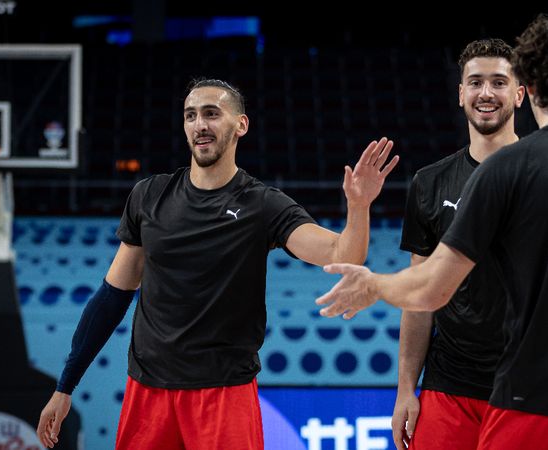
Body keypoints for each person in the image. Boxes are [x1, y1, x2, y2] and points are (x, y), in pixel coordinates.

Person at [317, 16, 548, 450]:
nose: (487, 93)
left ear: (527, 87)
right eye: (475, 83)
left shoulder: (511, 167)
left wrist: (375, 284)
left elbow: (433, 288)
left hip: (538, 400)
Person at [37, 78, 399, 449]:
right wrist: (66, 385)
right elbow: (111, 298)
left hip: (224, 393)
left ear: (240, 125)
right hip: (148, 393)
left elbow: (343, 255)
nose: (200, 125)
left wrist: (358, 207)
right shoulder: (149, 195)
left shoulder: (262, 204)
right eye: (190, 115)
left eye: (212, 114)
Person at [391, 38, 524, 450]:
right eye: (476, 82)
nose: (486, 93)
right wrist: (405, 390)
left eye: (499, 82)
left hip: (531, 387)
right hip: (449, 388)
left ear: (520, 94)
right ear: (460, 93)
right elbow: (419, 297)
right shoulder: (429, 183)